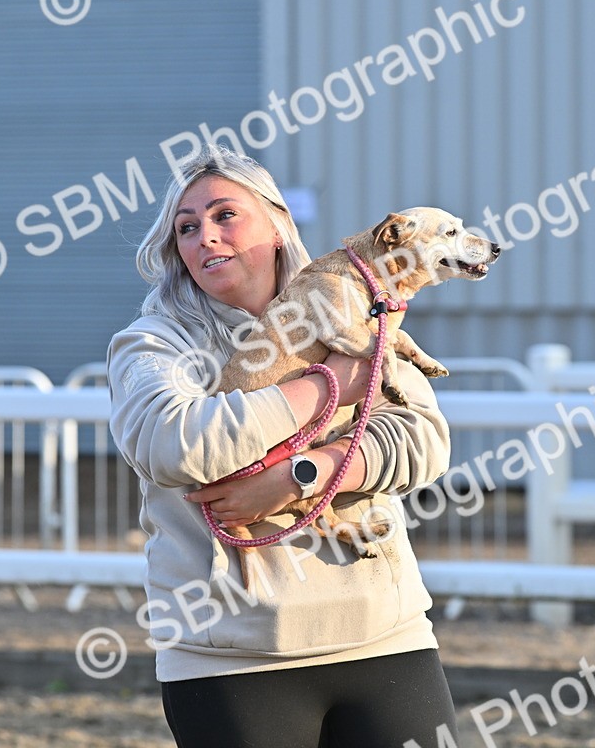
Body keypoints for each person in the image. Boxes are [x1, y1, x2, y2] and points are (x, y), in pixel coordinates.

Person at [107, 145, 458, 747]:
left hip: (386, 637)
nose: (205, 237)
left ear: (278, 225)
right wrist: (327, 384)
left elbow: (423, 437)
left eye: (225, 216)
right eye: (186, 228)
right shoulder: (154, 346)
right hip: (234, 659)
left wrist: (309, 470)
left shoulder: (360, 308)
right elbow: (171, 443)